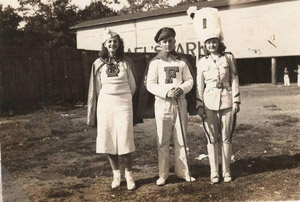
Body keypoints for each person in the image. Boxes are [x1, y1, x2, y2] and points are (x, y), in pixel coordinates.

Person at [187, 7, 241, 184]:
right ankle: (214, 172)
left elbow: (234, 78)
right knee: (211, 138)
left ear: (219, 42)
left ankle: (226, 171)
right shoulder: (202, 62)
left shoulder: (228, 58)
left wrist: (236, 100)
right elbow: (199, 86)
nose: (212, 45)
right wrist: (200, 105)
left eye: (214, 42)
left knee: (226, 138)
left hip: (227, 101)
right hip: (209, 102)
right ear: (205, 44)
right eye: (208, 43)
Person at [87, 29, 137, 190]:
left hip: (123, 103)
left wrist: (124, 97)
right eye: (109, 41)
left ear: (119, 43)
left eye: (115, 41)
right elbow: (96, 87)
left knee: (125, 139)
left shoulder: (126, 61)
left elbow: (133, 85)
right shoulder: (98, 63)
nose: (112, 44)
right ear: (104, 44)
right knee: (108, 139)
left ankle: (129, 176)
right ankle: (116, 175)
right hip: (105, 104)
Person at [146, 27, 196, 186]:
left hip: (180, 102)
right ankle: (163, 174)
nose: (167, 44)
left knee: (181, 138)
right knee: (163, 140)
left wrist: (181, 89)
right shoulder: (155, 63)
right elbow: (150, 84)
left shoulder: (181, 61)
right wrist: (167, 92)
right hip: (163, 104)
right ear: (159, 44)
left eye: (170, 41)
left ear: (175, 41)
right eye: (164, 41)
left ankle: (183, 171)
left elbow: (189, 80)